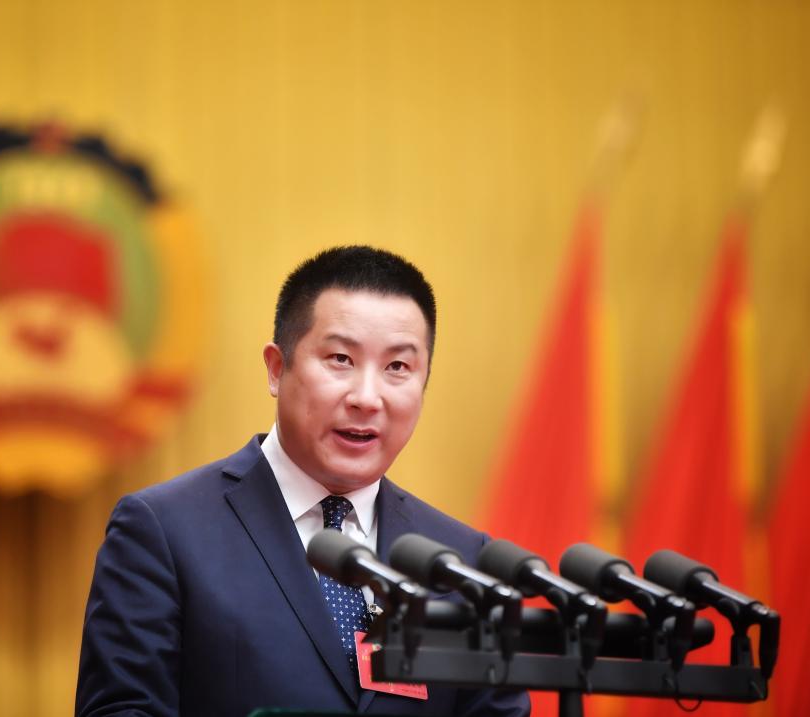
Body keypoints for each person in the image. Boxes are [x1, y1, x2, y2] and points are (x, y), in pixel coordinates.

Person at [76, 246, 530, 716]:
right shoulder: (164, 532)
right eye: (340, 358)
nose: (367, 397)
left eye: (398, 367)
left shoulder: (460, 564)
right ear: (277, 369)